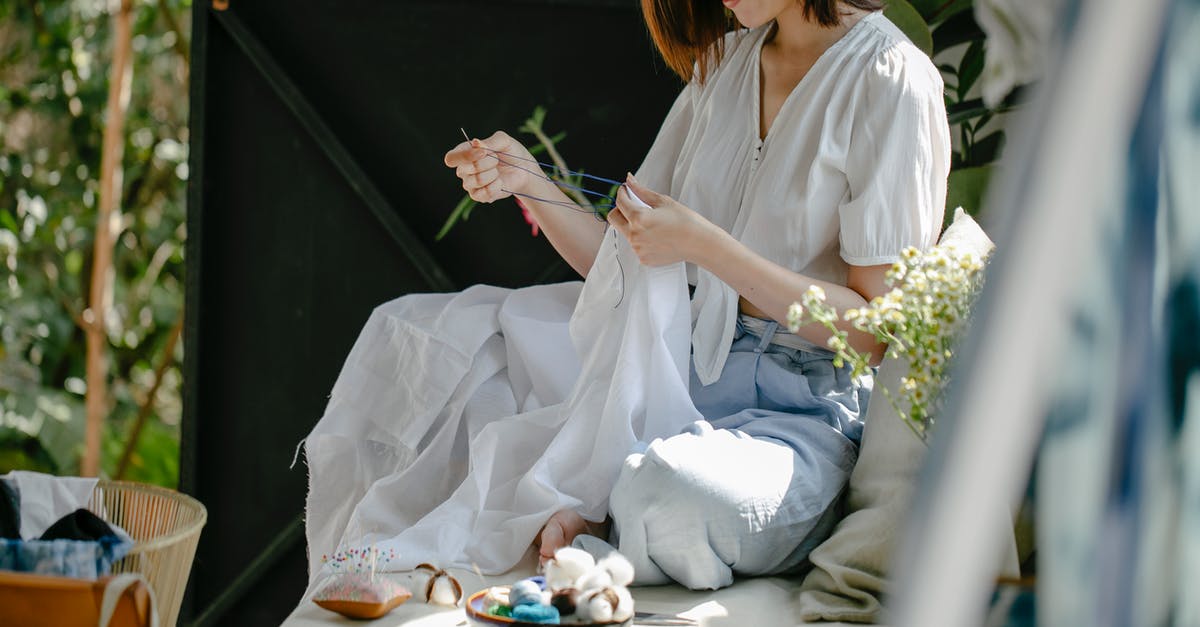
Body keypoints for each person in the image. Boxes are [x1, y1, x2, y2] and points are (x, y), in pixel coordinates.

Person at [443, 0, 949, 590]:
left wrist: (711, 250)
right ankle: (613, 499)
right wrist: (527, 181)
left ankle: (614, 508)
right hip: (673, 382)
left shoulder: (892, 79)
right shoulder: (722, 66)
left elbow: (874, 332)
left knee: (669, 494)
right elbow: (622, 269)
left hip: (801, 418)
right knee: (448, 345)